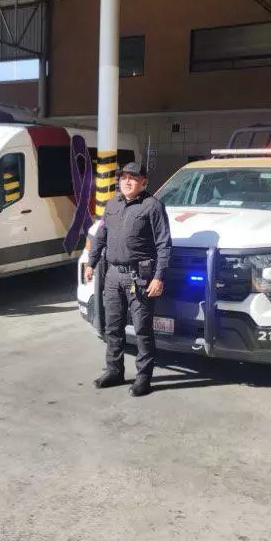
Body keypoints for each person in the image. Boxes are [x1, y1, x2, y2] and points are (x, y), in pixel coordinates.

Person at [84, 161, 172, 397]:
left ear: (144, 182)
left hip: (139, 278)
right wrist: (91, 263)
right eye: (124, 177)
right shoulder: (112, 204)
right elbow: (100, 236)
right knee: (113, 327)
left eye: (133, 178)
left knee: (143, 330)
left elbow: (164, 245)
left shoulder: (153, 206)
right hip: (113, 275)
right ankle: (114, 371)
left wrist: (159, 277)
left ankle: (143, 378)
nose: (127, 181)